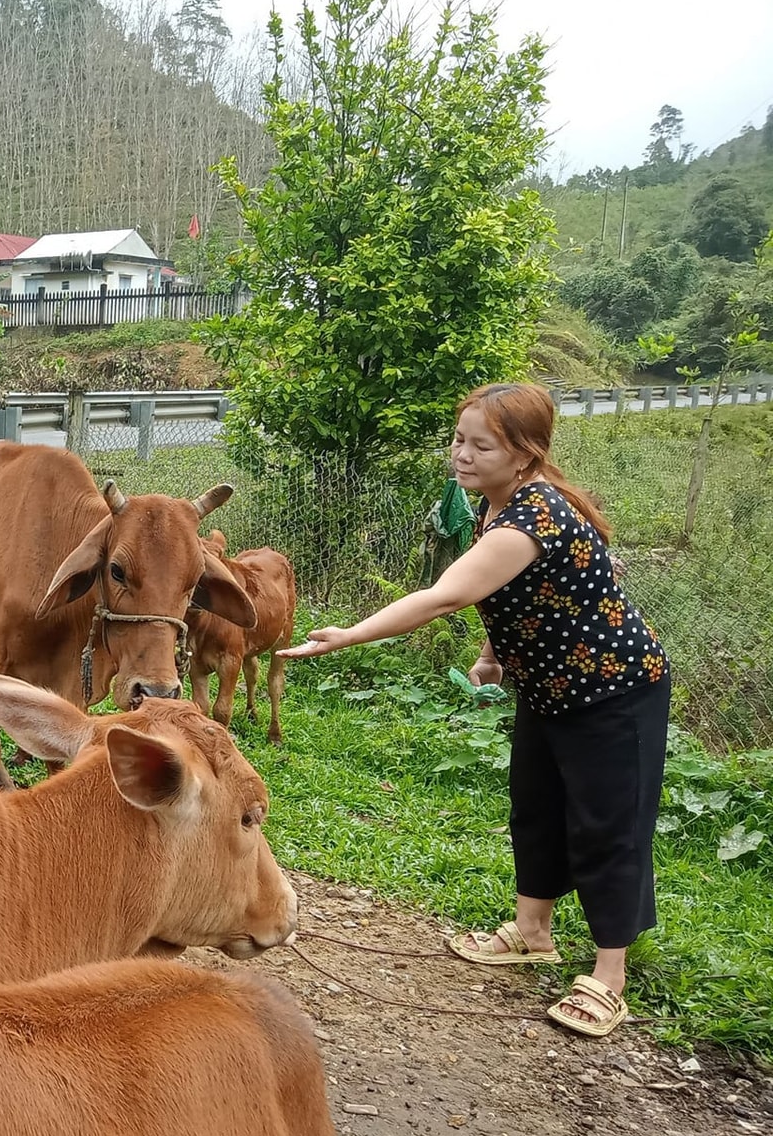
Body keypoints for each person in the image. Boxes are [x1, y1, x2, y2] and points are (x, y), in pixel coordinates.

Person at [279, 383, 670, 1038]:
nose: (460, 454)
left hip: (614, 692)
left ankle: (609, 977)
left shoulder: (533, 518)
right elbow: (511, 593)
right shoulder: (496, 505)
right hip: (549, 689)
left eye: (479, 445)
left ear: (524, 454)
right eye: (458, 440)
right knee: (536, 807)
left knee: (609, 827)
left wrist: (347, 634)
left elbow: (444, 597)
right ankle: (532, 932)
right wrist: (493, 654)